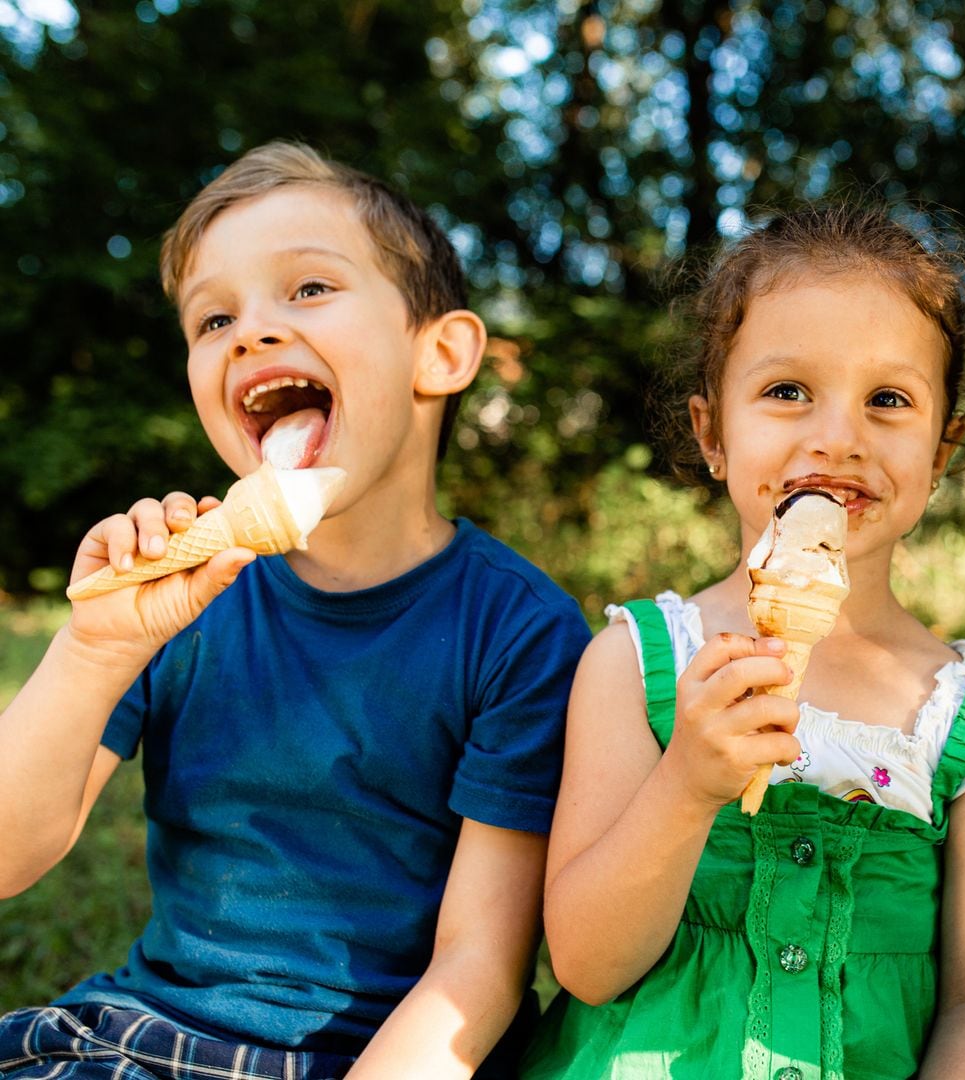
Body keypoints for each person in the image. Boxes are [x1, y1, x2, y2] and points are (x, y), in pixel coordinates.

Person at [0, 141, 592, 1080]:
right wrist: (92, 649)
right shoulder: (177, 597)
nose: (251, 332)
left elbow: (477, 972)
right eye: (214, 318)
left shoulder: (520, 633)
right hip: (143, 1032)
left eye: (309, 289)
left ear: (440, 353)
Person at [520, 203, 965, 1079]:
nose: (837, 438)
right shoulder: (638, 662)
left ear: (943, 449)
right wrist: (686, 783)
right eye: (787, 391)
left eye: (888, 400)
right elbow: (586, 965)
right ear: (712, 433)